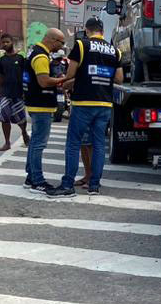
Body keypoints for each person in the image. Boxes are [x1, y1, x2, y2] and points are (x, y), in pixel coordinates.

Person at [49, 16, 122, 198]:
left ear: (87, 30)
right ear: (102, 31)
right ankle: (94, 185)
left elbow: (70, 73)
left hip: (83, 103)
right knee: (98, 145)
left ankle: (67, 185)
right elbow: (119, 79)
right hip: (104, 104)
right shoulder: (115, 51)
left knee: (73, 143)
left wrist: (70, 81)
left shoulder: (82, 45)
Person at [22, 28, 68, 192]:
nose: (62, 47)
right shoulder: (41, 56)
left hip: (35, 102)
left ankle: (30, 177)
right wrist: (64, 79)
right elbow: (43, 81)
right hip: (40, 103)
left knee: (35, 141)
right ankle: (37, 180)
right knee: (39, 144)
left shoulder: (35, 51)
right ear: (53, 40)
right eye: (61, 43)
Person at [0, 33, 30, 151]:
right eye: (3, 42)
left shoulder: (20, 58)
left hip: (18, 93)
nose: (5, 44)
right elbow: (0, 77)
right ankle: (7, 142)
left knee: (21, 118)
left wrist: (26, 91)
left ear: (12, 43)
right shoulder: (1, 60)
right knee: (4, 118)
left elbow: (26, 75)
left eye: (7, 42)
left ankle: (24, 133)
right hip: (5, 93)